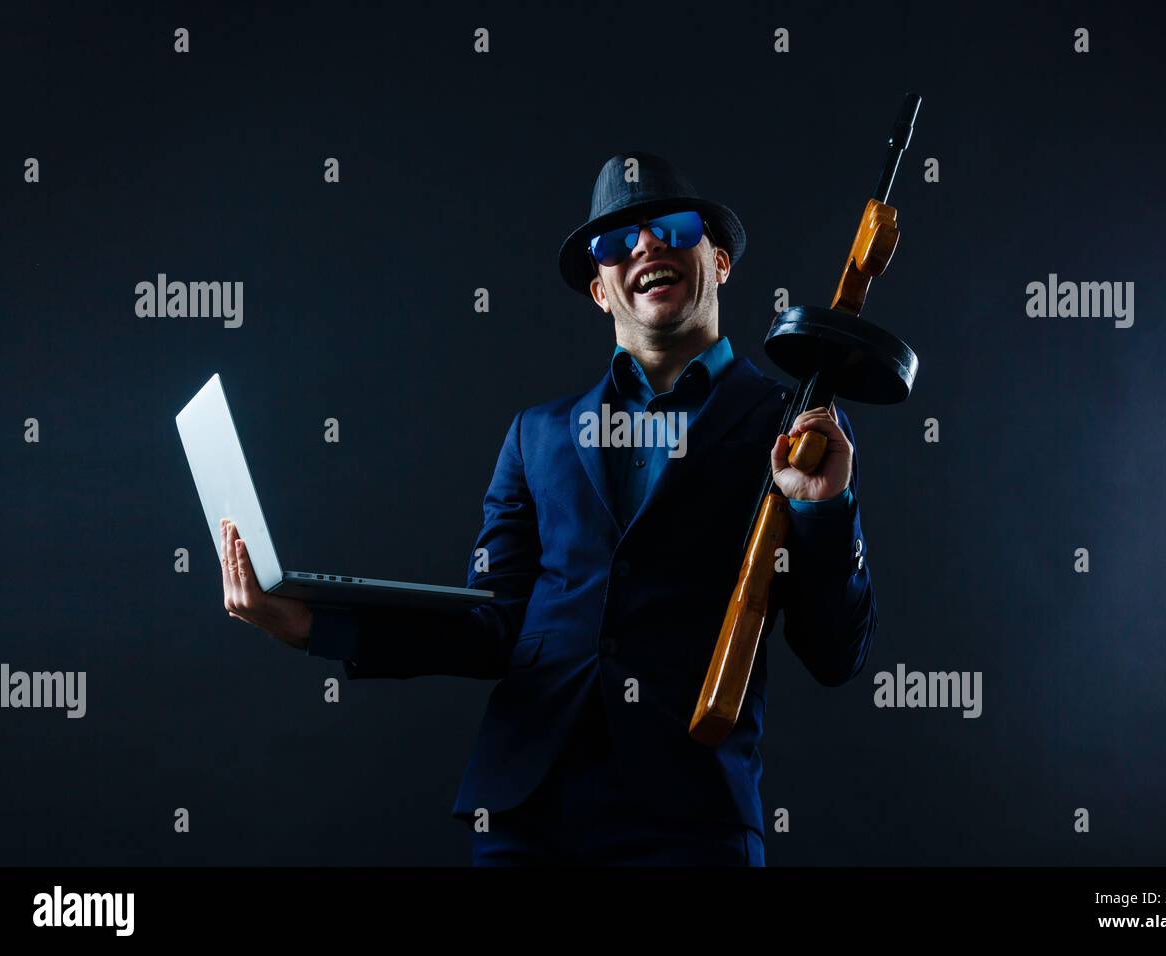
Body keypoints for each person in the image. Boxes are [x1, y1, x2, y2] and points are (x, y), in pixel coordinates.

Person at [218, 151, 877, 865]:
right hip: (525, 819)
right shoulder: (537, 435)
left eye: (672, 228)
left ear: (718, 261)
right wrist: (314, 624)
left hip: (692, 821)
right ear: (601, 291)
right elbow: (490, 626)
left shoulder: (794, 427)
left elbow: (836, 652)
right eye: (617, 242)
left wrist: (824, 509)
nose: (648, 246)